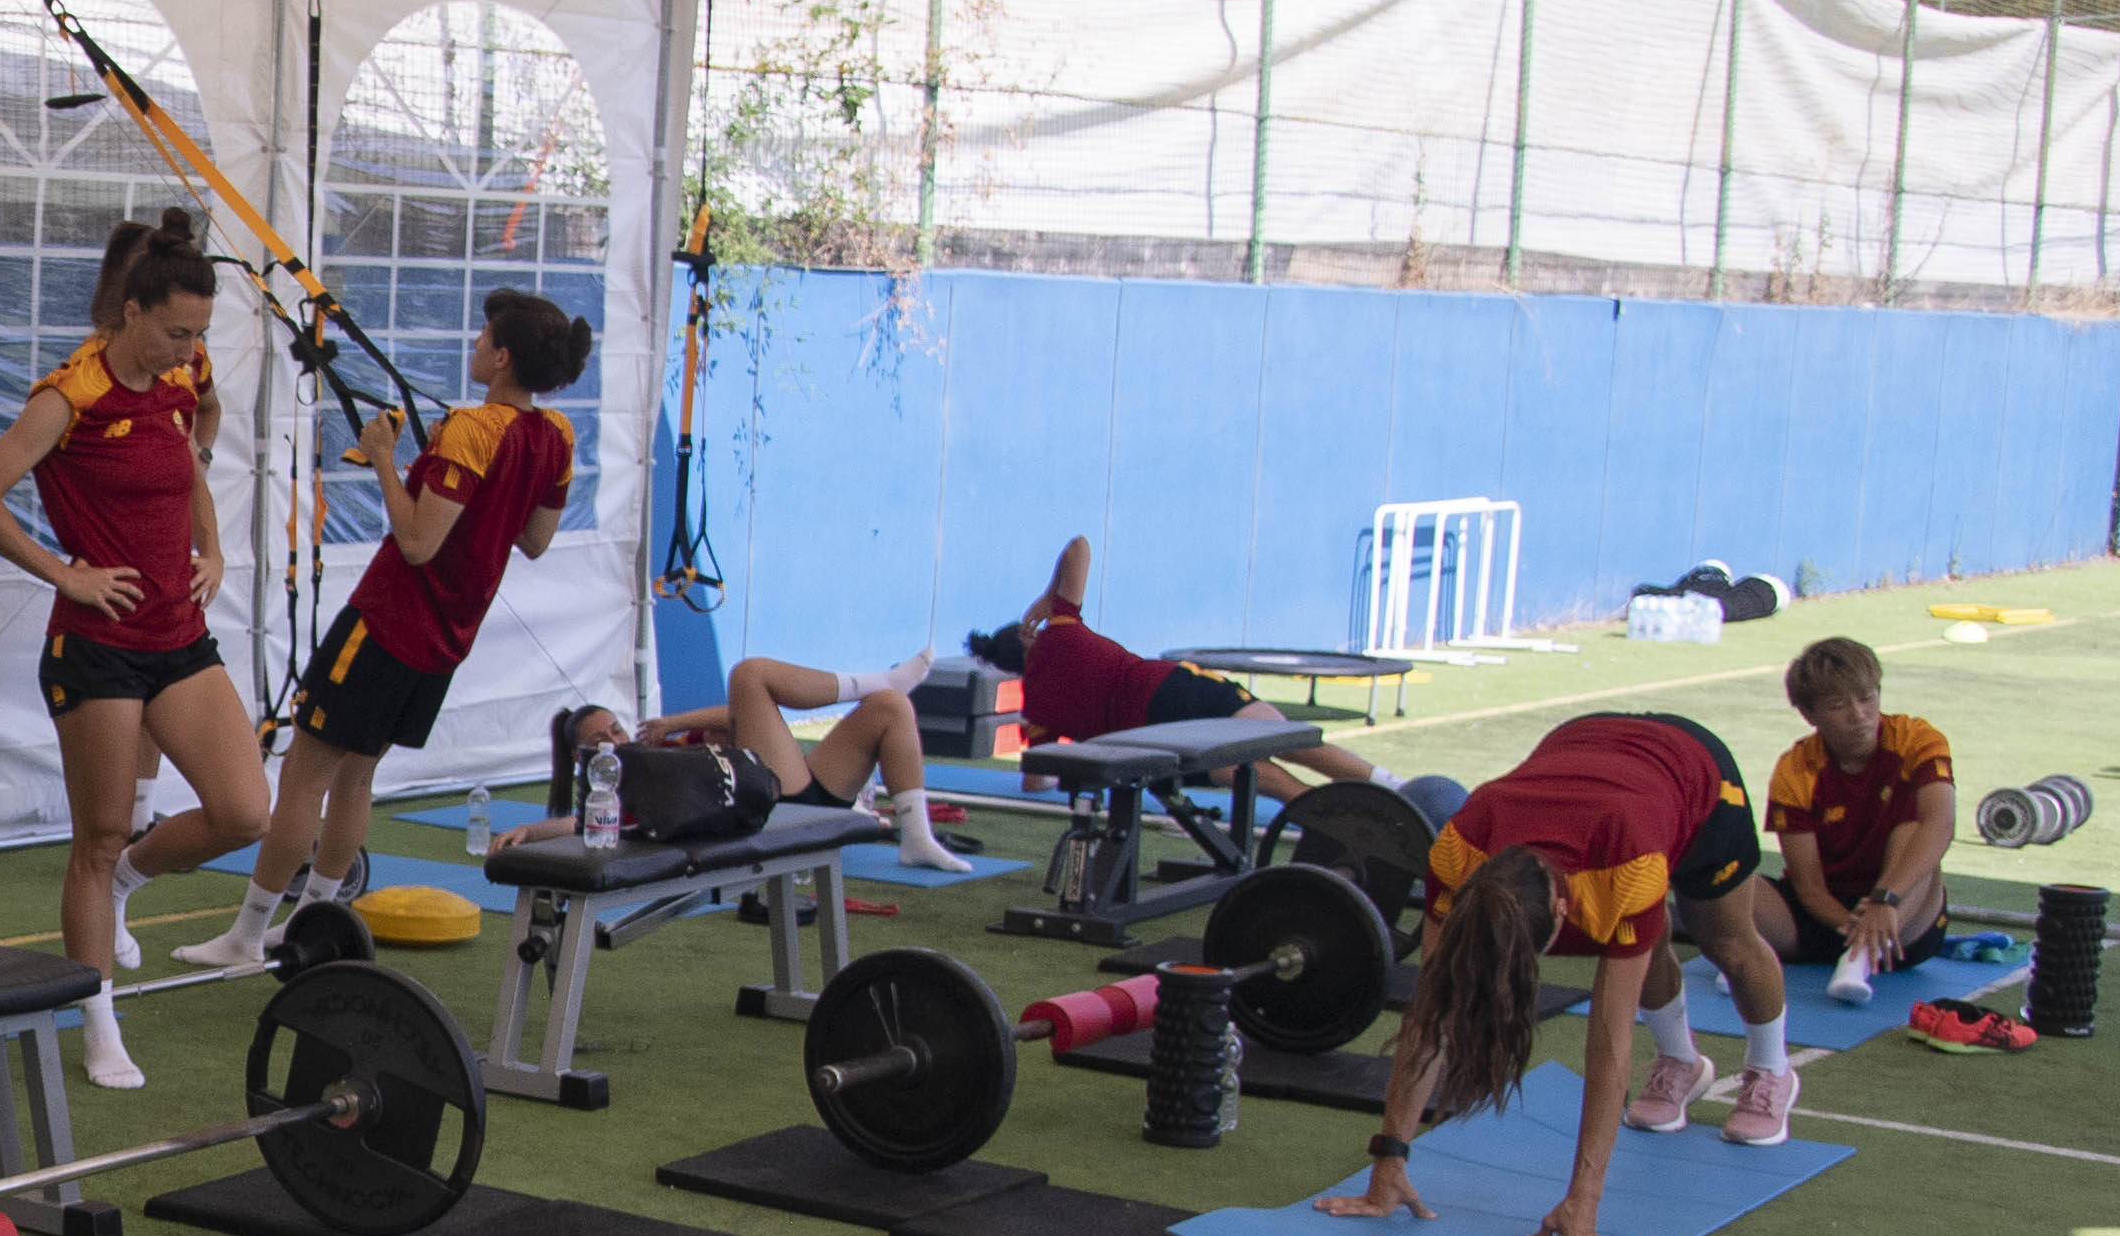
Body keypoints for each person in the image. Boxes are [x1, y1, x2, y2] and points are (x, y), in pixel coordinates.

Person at [0, 210, 274, 1087]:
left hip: (178, 634)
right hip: (95, 646)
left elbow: (190, 460)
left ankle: (132, 879)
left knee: (246, 812)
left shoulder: (181, 373)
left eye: (199, 333)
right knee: (93, 836)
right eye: (176, 330)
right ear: (129, 312)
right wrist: (65, 573)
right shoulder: (69, 393)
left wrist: (211, 546)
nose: (188, 349)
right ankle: (97, 1020)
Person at [183, 291, 583, 969]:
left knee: (304, 778)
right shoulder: (556, 436)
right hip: (446, 639)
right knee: (356, 779)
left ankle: (247, 934)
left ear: (502, 355)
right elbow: (536, 539)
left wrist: (384, 460)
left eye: (484, 334)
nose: (476, 341)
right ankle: (310, 923)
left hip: (388, 621)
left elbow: (420, 541)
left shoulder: (472, 430)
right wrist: (462, 486)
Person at [1342, 708, 1800, 1236]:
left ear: (1563, 908)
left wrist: (1582, 1204)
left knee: (1724, 940)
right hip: (1584, 745)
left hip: (1689, 767)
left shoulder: (1626, 865)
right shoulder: (1461, 848)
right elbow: (1431, 1011)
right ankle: (1682, 1062)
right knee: (1637, 937)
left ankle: (1773, 1069)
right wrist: (1389, 1158)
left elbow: (1609, 1042)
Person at [969, 536, 1374, 799]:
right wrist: (1047, 595)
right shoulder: (1057, 629)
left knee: (1232, 768)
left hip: (1153, 740)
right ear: (1027, 636)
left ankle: (1317, 812)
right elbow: (1078, 547)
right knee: (1283, 737)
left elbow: (1035, 780)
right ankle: (1389, 785)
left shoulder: (1038, 709)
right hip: (1169, 687)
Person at [482, 662, 975, 870]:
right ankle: (873, 677)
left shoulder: (655, 750)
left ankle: (916, 839)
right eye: (600, 739)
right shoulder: (624, 786)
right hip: (771, 801)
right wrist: (527, 831)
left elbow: (737, 714)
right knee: (749, 674)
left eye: (616, 728)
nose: (615, 739)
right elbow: (586, 824)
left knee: (891, 707)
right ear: (579, 758)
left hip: (795, 786)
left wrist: (672, 724)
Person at [1758, 634, 1986, 1033]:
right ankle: (1751, 959)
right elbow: (1808, 887)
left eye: (1867, 698)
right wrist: (1855, 925)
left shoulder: (1916, 739)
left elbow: (1941, 825)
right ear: (1810, 716)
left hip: (1904, 912)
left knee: (1914, 829)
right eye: (1838, 706)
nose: (1859, 715)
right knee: (1730, 881)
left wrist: (1885, 901)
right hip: (1825, 917)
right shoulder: (1795, 770)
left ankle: (1857, 963)